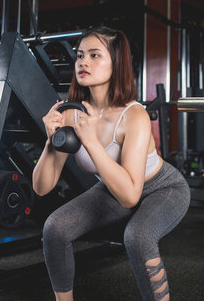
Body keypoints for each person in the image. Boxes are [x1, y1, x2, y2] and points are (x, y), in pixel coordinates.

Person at [32, 26, 191, 301]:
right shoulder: (72, 113)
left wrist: (91, 141)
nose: (83, 62)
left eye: (95, 55)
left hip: (163, 189)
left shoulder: (134, 115)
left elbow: (130, 196)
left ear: (116, 64)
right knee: (55, 228)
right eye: (80, 55)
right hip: (112, 188)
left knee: (138, 236)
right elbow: (42, 188)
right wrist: (50, 142)